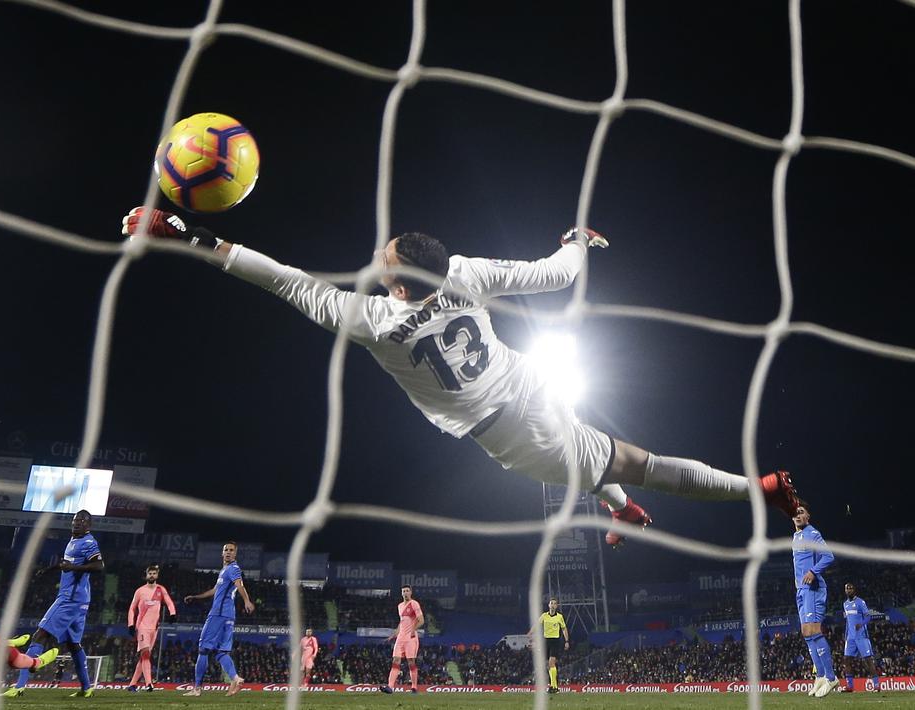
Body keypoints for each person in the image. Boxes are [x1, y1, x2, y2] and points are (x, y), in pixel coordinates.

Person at [121, 208, 805, 547]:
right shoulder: (465, 273)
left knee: (639, 463)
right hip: (531, 383)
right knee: (598, 458)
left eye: (381, 254)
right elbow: (554, 276)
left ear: (394, 276)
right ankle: (616, 503)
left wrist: (188, 236)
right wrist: (576, 243)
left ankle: (758, 490)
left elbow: (283, 280)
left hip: (510, 431)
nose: (374, 255)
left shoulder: (370, 321)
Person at [2, 510, 104, 699]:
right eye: (75, 520)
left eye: (82, 521)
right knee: (74, 645)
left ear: (89, 525)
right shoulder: (73, 541)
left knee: (39, 635)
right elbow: (68, 563)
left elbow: (99, 566)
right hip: (81, 601)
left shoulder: (89, 542)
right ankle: (86, 688)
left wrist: (72, 568)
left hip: (69, 599)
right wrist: (50, 568)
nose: (77, 523)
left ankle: (19, 686)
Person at [183, 542, 255, 697]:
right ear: (222, 553)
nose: (228, 552)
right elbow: (215, 590)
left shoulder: (233, 569)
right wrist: (196, 597)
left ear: (235, 554)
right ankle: (236, 678)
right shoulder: (224, 571)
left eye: (231, 550)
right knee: (221, 652)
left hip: (218, 614)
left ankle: (197, 688)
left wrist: (247, 601)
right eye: (226, 550)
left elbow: (240, 584)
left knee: (203, 648)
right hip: (228, 615)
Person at [793, 504, 837, 698]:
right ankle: (819, 676)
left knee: (814, 630)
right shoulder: (795, 537)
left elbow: (829, 556)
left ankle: (831, 677)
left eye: (801, 512)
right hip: (801, 590)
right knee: (806, 633)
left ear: (808, 516)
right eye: (795, 512)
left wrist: (813, 571)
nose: (798, 514)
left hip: (813, 588)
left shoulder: (813, 533)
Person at [127, 564, 177, 692]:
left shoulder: (161, 589)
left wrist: (173, 614)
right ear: (146, 575)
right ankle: (149, 683)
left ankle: (132, 684)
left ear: (157, 575)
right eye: (150, 573)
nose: (152, 575)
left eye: (154, 574)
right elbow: (132, 608)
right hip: (142, 626)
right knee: (146, 654)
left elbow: (169, 602)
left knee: (144, 657)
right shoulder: (140, 591)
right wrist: (131, 624)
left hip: (154, 628)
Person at [380, 585, 424, 694]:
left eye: (407, 591)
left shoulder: (414, 604)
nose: (405, 593)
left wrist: (413, 630)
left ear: (411, 592)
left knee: (411, 662)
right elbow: (402, 622)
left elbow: (421, 620)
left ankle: (414, 687)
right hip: (401, 637)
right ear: (401, 593)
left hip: (411, 638)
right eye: (403, 591)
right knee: (395, 660)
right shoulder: (400, 606)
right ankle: (390, 687)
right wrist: (394, 634)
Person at [841, 581, 879, 693]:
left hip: (861, 636)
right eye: (847, 588)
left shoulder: (860, 602)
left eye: (851, 588)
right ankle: (850, 686)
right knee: (846, 660)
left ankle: (876, 686)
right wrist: (846, 634)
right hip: (850, 637)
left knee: (868, 660)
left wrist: (861, 624)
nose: (849, 590)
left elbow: (868, 617)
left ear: (854, 590)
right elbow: (848, 621)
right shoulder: (845, 604)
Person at [529, 597, 569, 693]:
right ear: (549, 605)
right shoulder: (544, 616)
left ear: (556, 606)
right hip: (546, 641)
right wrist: (530, 633)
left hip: (555, 641)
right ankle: (553, 686)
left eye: (555, 603)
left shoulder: (559, 617)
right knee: (549, 664)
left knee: (551, 662)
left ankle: (553, 687)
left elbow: (564, 628)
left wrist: (567, 641)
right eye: (551, 603)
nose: (553, 605)